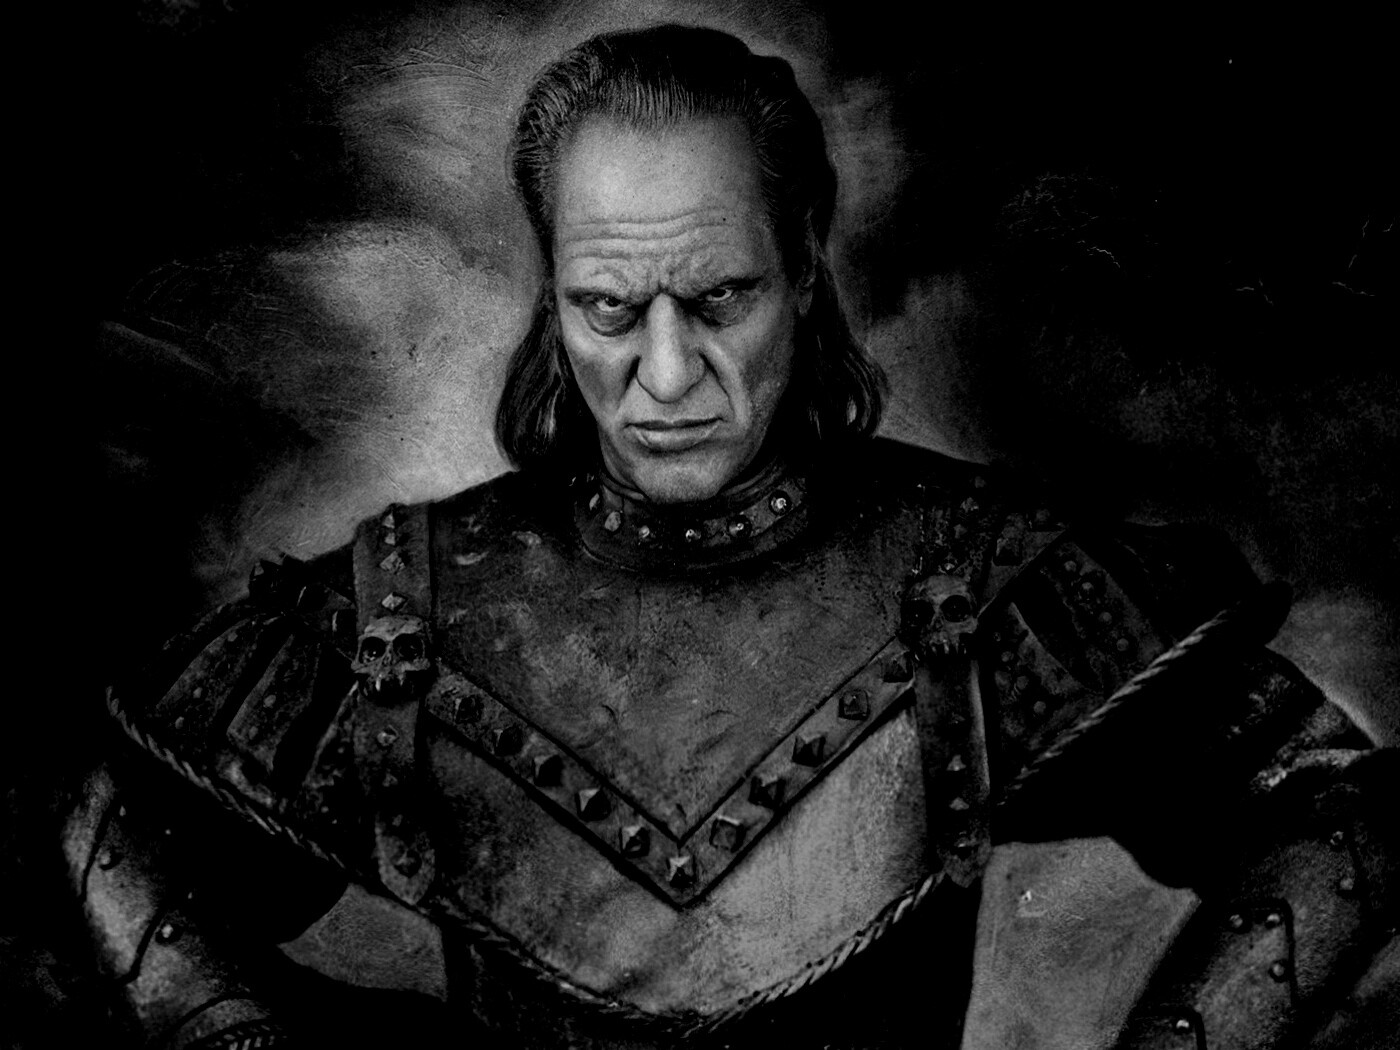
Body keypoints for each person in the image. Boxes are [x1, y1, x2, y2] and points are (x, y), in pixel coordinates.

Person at [58, 24, 1395, 1049]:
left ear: (802, 271)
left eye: (718, 299)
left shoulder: (975, 573)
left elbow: (1345, 809)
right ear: (553, 293)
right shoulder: (403, 604)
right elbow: (89, 821)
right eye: (607, 306)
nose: (665, 374)